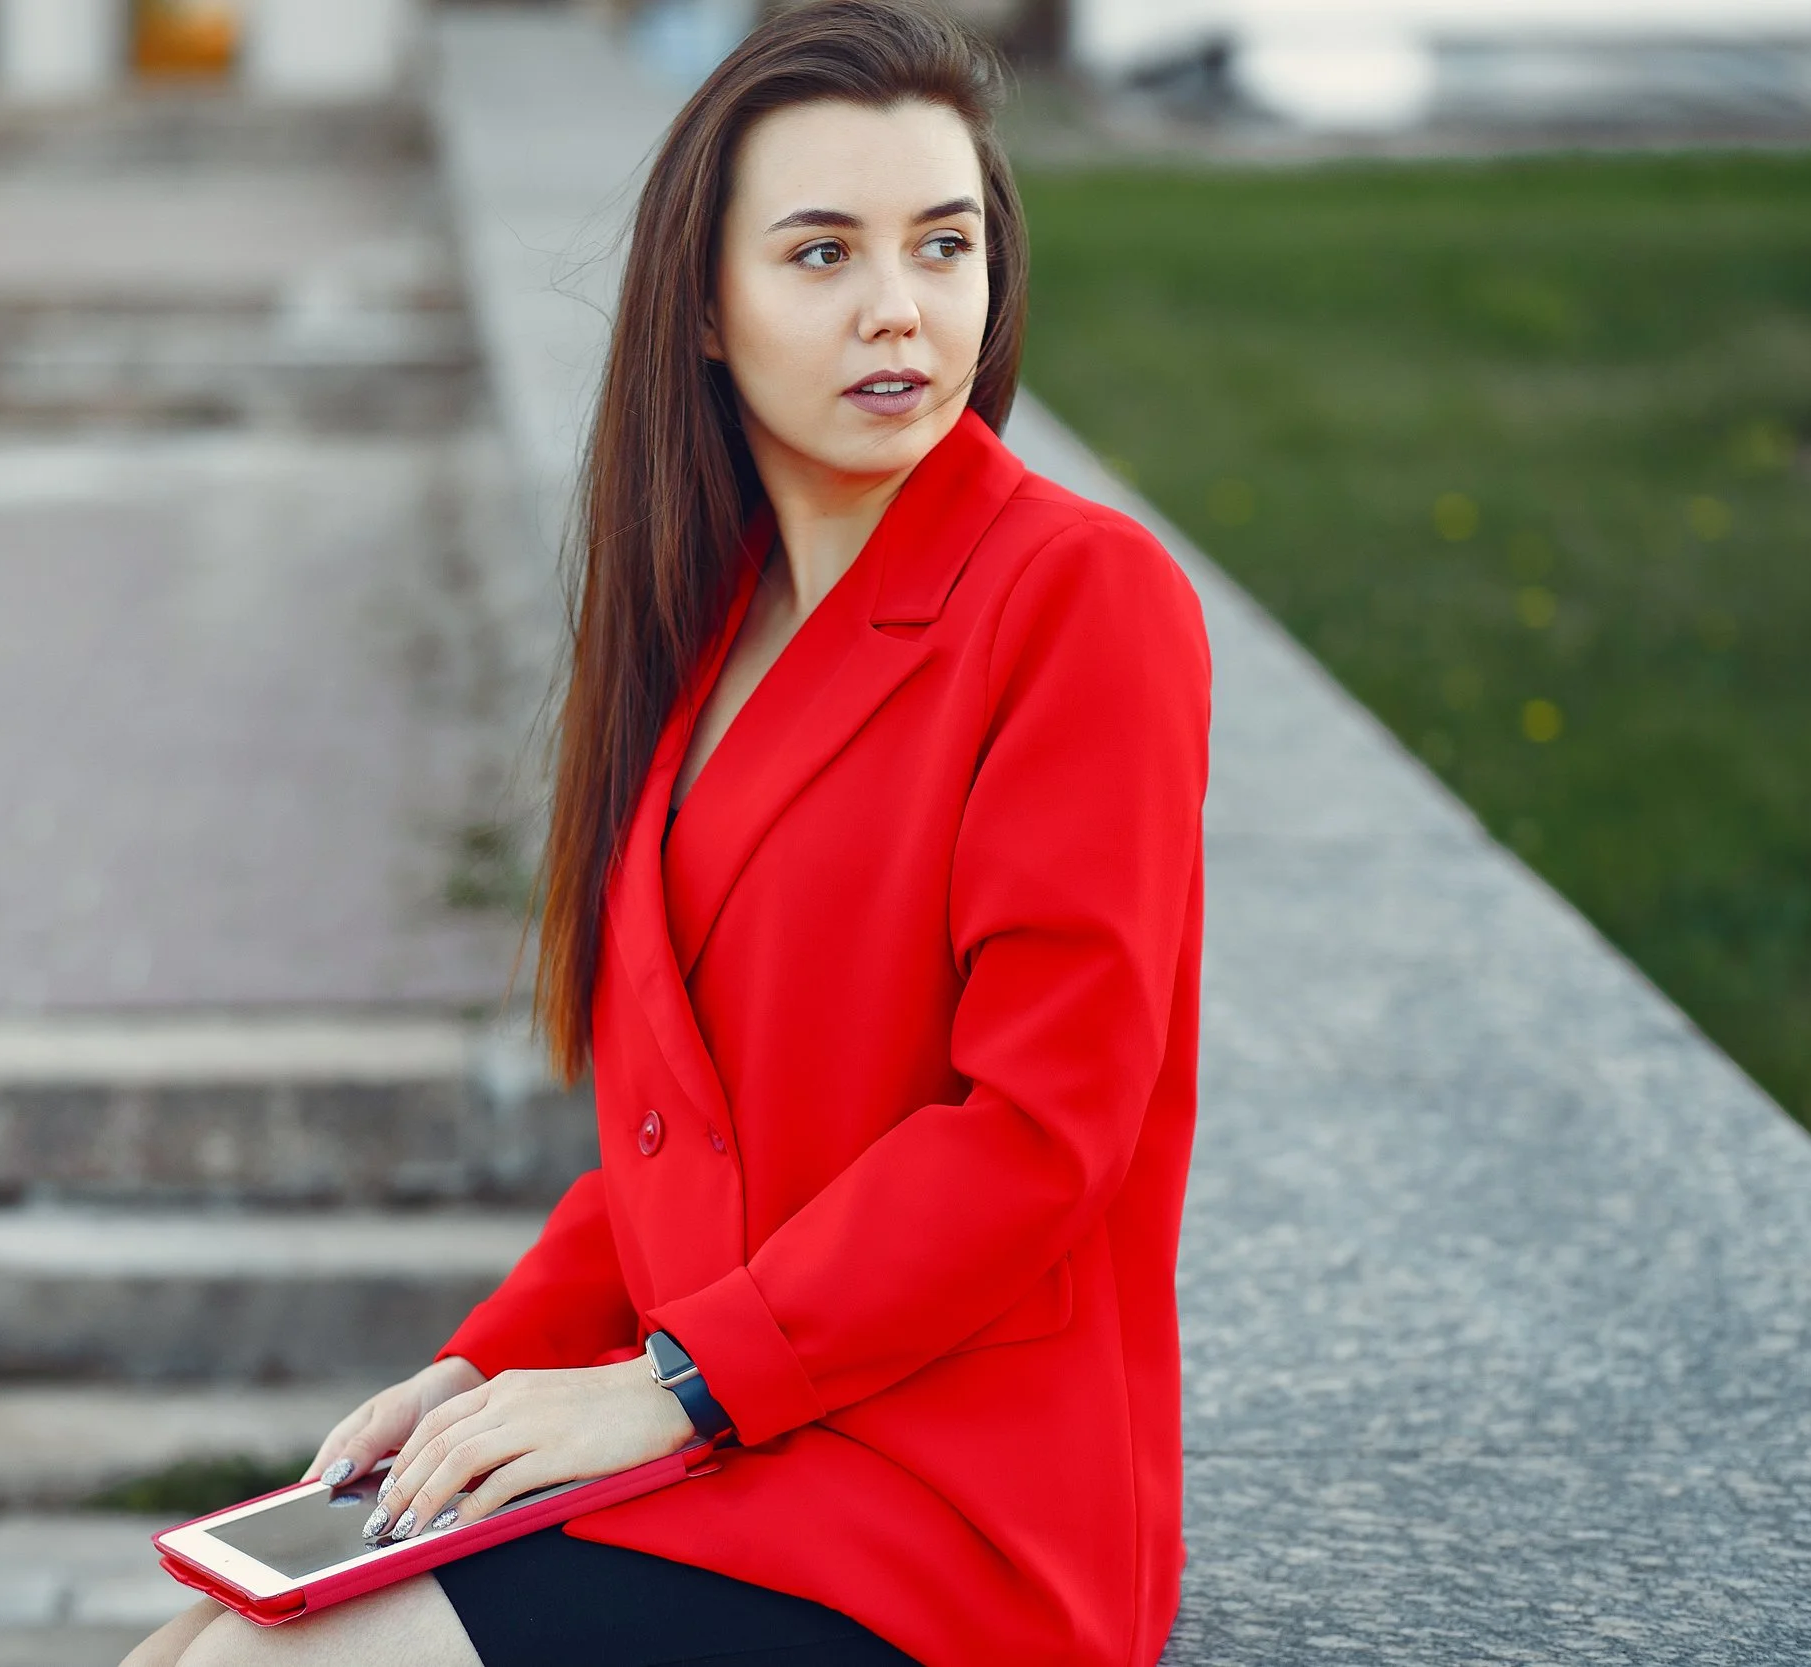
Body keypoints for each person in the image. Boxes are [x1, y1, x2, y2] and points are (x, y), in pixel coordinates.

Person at [121, 1, 1210, 1662]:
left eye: (944, 243)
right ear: (704, 308)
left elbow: (1042, 1128)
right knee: (194, 1650)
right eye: (822, 253)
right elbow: (679, 1146)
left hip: (953, 1501)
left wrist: (674, 1382)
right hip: (746, 1425)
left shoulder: (1078, 597)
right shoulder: (709, 628)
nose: (899, 308)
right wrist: (482, 1369)